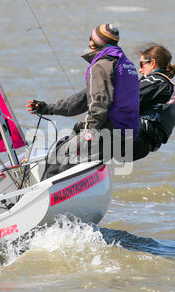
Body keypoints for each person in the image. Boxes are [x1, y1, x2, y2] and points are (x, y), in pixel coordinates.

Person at [27, 24, 140, 179]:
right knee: (65, 144)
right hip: (128, 133)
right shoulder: (125, 64)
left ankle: (43, 199)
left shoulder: (101, 66)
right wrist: (48, 108)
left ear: (94, 42)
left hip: (110, 132)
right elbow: (83, 99)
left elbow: (99, 102)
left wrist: (89, 131)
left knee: (60, 156)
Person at [132, 43, 175, 161]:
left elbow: (125, 104)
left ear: (152, 63)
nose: (139, 70)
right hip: (145, 145)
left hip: (136, 139)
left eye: (142, 64)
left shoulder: (156, 81)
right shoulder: (167, 84)